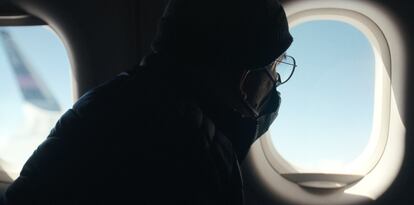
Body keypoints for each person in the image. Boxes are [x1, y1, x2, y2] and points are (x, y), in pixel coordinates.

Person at [0, 0, 292, 204]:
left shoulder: (126, 100)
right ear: (242, 76)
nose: (275, 82)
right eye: (274, 67)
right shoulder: (187, 152)